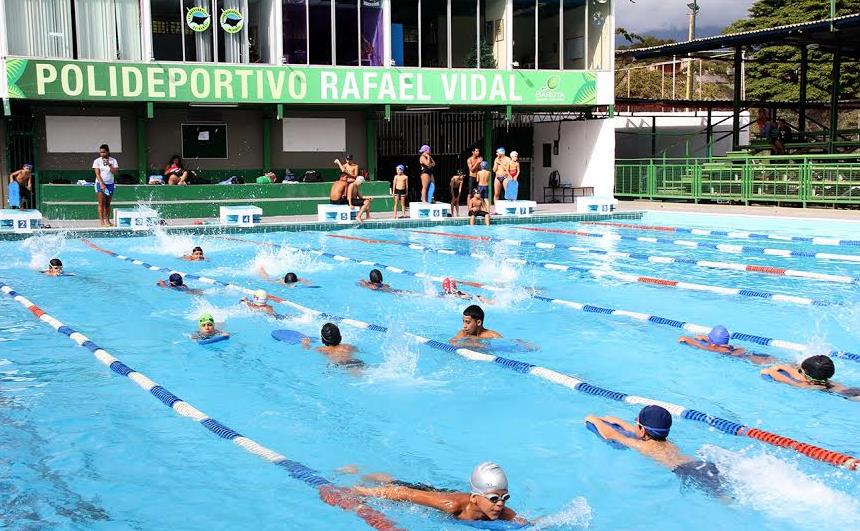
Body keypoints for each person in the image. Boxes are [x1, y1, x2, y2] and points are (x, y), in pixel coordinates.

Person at [585, 405, 727, 497]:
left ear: (642, 429)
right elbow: (637, 432)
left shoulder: (643, 446)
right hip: (700, 464)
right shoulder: (664, 442)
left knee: (724, 499)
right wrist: (618, 421)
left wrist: (593, 418)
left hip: (687, 471)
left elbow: (610, 435)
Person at [352, 462, 526, 524]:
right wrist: (365, 492)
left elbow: (527, 524)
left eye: (505, 498)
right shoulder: (451, 505)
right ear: (474, 498)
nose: (500, 504)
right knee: (394, 483)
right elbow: (405, 493)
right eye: (494, 499)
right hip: (433, 494)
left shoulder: (501, 512)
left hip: (450, 493)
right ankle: (357, 471)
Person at [761, 355, 860, 400]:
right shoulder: (826, 380)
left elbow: (781, 378)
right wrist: (782, 366)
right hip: (851, 390)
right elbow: (798, 372)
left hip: (850, 396)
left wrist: (771, 370)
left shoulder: (809, 385)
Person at [679, 325, 777, 365]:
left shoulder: (711, 348)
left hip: (740, 356)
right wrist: (705, 338)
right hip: (742, 352)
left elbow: (683, 339)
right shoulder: (727, 346)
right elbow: (701, 337)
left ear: (712, 343)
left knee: (758, 361)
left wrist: (692, 340)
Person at [92, 144, 118, 227]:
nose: (102, 154)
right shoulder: (97, 161)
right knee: (101, 203)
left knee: (107, 203)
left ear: (107, 152)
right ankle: (102, 222)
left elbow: (115, 172)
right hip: (100, 184)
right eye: (100, 152)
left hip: (110, 184)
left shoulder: (113, 160)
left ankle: (108, 220)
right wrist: (102, 184)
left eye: (104, 152)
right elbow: (97, 174)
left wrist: (110, 165)